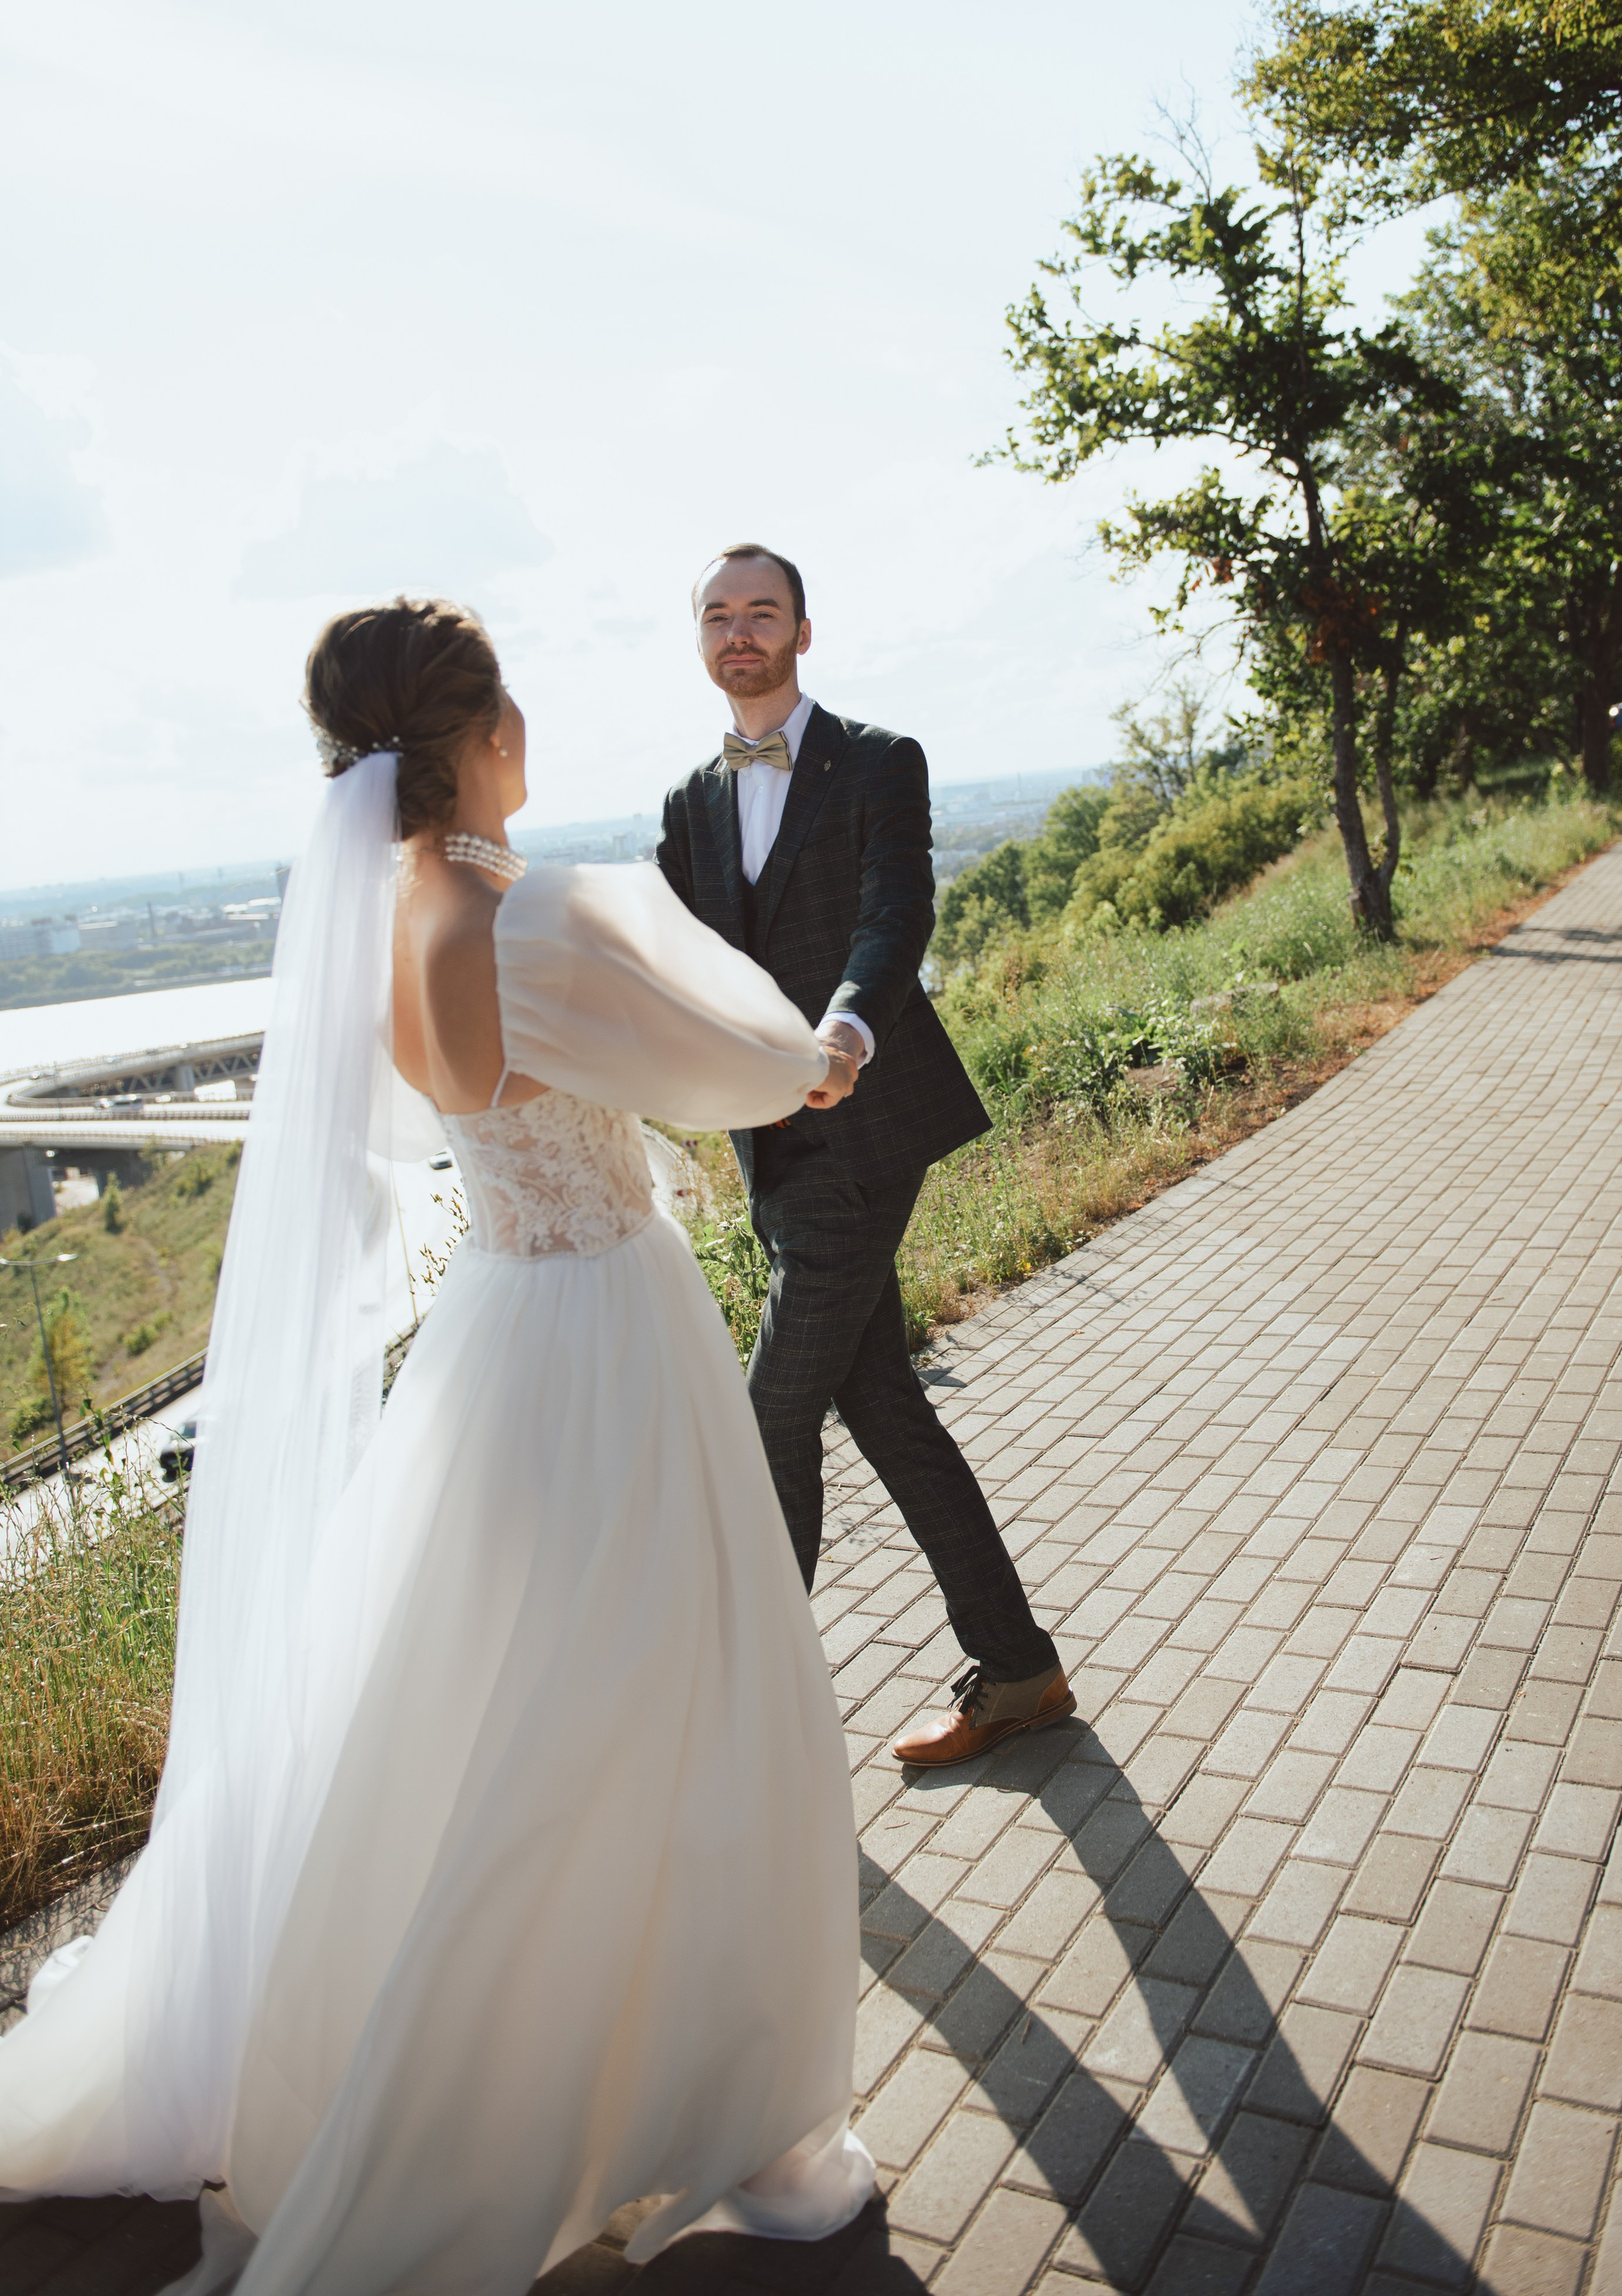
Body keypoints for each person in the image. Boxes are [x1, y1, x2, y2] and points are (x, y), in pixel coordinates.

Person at [0, 597, 875, 2292]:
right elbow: (751, 1069)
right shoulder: (536, 915)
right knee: (675, 1697)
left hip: (491, 1334)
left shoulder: (394, 918)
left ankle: (531, 2071)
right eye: (513, 705)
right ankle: (690, 2101)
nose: (530, 725)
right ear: (475, 738)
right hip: (614, 1334)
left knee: (479, 1703)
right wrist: (827, 1048)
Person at [656, 544, 1074, 1770]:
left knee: (770, 1410)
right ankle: (1020, 1673)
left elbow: (898, 913)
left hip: (866, 1124)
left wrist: (846, 1027)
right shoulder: (689, 803)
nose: (742, 634)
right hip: (770, 1148)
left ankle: (760, 1728)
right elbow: (673, 960)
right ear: (701, 639)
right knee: (880, 1402)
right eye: (720, 616)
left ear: (802, 629)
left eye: (763, 613)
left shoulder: (880, 760)